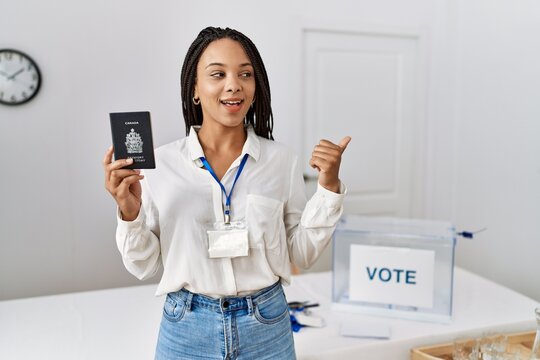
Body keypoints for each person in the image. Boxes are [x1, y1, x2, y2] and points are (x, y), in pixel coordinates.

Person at [103, 26, 351, 360]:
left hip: (267, 325)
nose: (233, 84)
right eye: (217, 74)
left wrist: (329, 188)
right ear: (195, 88)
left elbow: (301, 254)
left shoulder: (281, 161)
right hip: (186, 329)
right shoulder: (159, 165)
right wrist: (129, 213)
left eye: (245, 74)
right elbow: (144, 267)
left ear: (255, 87)